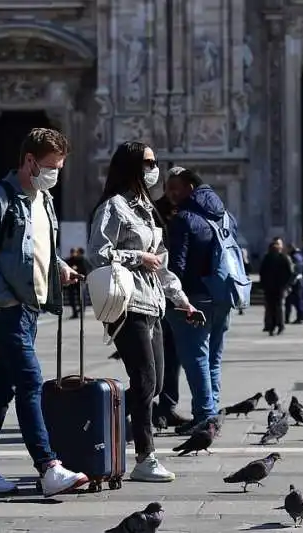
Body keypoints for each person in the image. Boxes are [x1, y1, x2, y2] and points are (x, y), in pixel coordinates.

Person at [0, 127, 87, 496]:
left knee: (0, 388)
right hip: (6, 307)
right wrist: (1, 296)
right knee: (31, 381)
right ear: (29, 161)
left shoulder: (43, 199)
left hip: (29, 306)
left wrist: (60, 268)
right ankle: (48, 467)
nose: (55, 175)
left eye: (60, 168)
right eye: (51, 166)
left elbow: (38, 247)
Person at [88, 141, 196, 482]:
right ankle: (145, 457)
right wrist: (137, 258)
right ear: (133, 166)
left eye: (155, 161)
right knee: (145, 380)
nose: (155, 168)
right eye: (149, 162)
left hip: (154, 303)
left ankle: (99, 417)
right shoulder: (113, 207)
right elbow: (97, 254)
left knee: (156, 383)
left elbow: (161, 263)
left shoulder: (146, 209)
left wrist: (182, 300)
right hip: (127, 304)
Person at [164, 166, 239, 434]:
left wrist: (175, 299)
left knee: (195, 358)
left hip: (193, 299)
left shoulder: (183, 219)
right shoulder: (225, 217)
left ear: (191, 188)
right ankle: (210, 412)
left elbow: (178, 265)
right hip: (221, 296)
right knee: (213, 358)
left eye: (174, 187)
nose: (169, 193)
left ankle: (205, 416)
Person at [150, 185, 192, 430]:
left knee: (170, 356)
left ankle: (166, 406)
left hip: (170, 293)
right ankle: (150, 407)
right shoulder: (157, 214)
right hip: (157, 294)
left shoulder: (178, 216)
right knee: (156, 357)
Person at [259, 237, 293, 336]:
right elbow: (263, 272)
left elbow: (289, 272)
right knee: (274, 307)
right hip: (273, 287)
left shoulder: (280, 257)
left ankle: (277, 326)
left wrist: (286, 285)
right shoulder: (271, 257)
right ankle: (275, 326)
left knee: (275, 307)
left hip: (277, 287)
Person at [285, 244, 303, 324]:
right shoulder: (299, 256)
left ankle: (300, 317)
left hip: (295, 282)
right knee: (296, 300)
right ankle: (300, 316)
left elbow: (295, 270)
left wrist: (290, 283)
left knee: (296, 300)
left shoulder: (294, 257)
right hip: (299, 280)